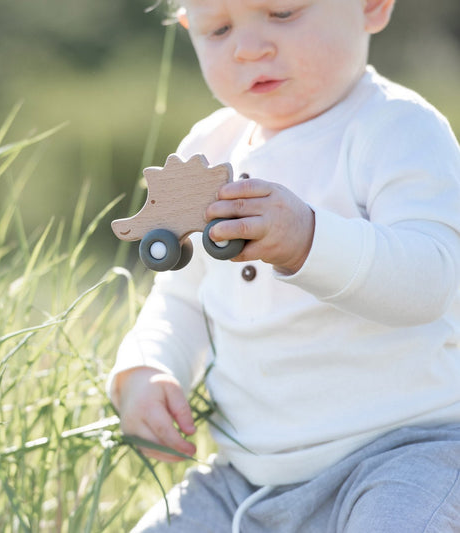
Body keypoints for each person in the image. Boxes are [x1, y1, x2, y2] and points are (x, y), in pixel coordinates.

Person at [108, 0, 460, 530]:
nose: (249, 47)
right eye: (219, 29)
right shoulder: (210, 147)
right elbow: (179, 300)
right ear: (188, 29)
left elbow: (430, 280)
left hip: (404, 453)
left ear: (371, 6)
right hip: (245, 479)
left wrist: (308, 241)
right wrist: (143, 370)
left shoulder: (398, 129)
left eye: (283, 13)